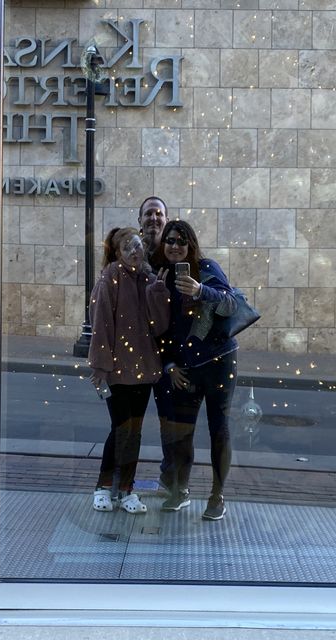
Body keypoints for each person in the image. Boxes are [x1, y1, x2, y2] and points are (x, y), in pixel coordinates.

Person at [152, 220, 238, 520]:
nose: (175, 246)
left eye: (181, 240)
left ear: (191, 244)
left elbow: (230, 304)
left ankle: (217, 495)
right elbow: (158, 328)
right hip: (184, 367)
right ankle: (181, 490)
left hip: (218, 362)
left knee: (219, 428)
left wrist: (201, 290)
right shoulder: (162, 277)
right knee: (181, 430)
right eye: (170, 240)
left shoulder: (206, 267)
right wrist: (168, 365)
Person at [88, 227, 169, 514]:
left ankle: (126, 489)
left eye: (137, 245)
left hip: (144, 370)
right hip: (118, 370)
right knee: (121, 428)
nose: (134, 251)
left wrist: (158, 293)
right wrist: (101, 365)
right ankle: (103, 486)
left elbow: (160, 326)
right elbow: (100, 322)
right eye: (127, 247)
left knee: (134, 431)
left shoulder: (149, 279)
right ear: (117, 253)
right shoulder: (110, 278)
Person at [138, 196, 169, 267]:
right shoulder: (129, 250)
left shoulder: (174, 252)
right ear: (140, 221)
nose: (154, 218)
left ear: (166, 221)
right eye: (148, 214)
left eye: (158, 214)